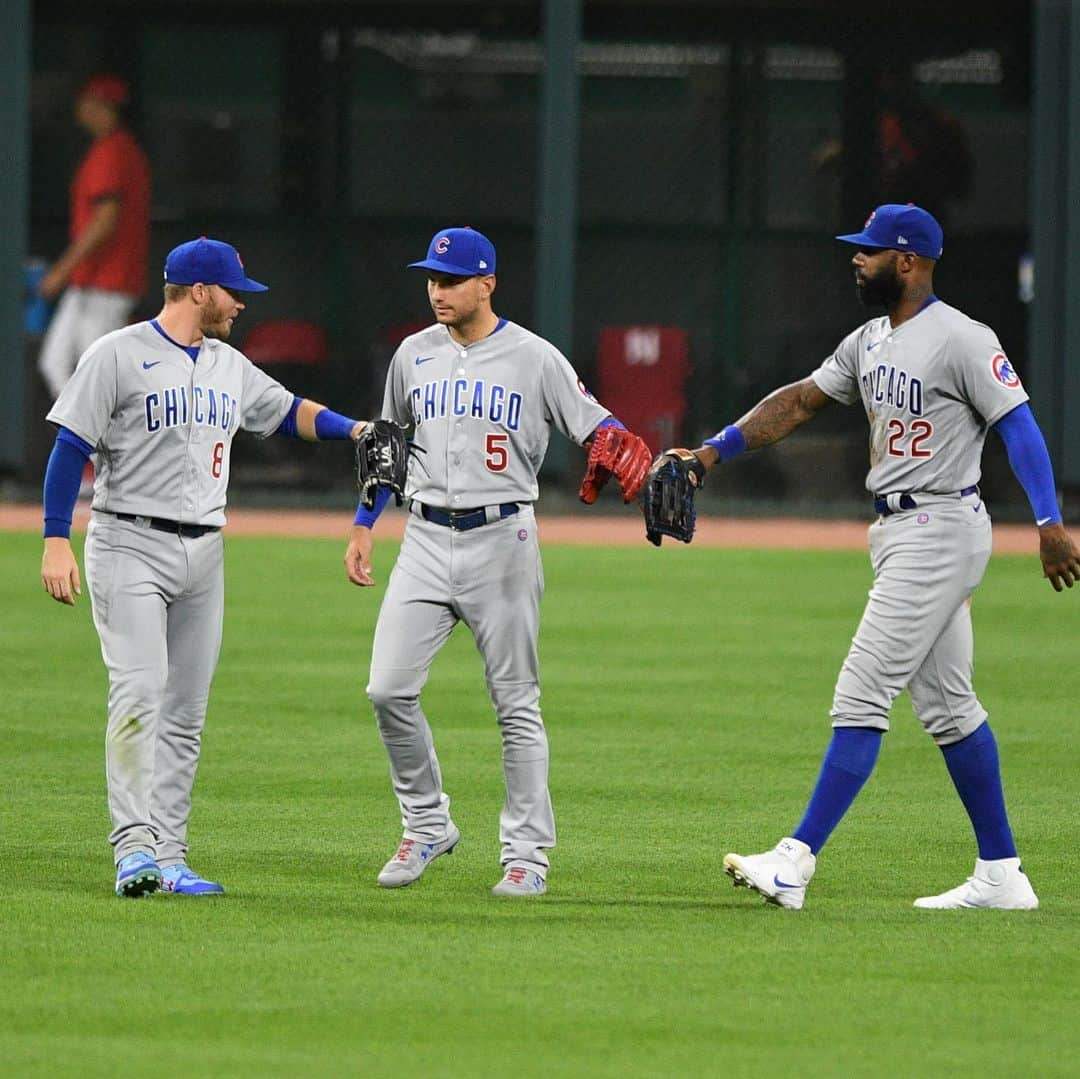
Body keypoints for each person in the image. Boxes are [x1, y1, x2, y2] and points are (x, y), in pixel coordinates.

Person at [672, 204, 1079, 911]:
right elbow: (798, 402)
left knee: (860, 691)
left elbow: (1020, 425)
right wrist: (711, 451)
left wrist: (1049, 520)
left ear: (910, 261)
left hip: (941, 523)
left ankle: (794, 863)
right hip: (900, 529)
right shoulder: (869, 340)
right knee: (950, 706)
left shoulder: (961, 338)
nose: (856, 260)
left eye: (869, 252)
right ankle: (1001, 874)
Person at [40, 237, 368, 899]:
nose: (241, 302)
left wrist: (354, 429)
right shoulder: (117, 354)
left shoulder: (227, 364)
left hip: (205, 553)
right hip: (129, 542)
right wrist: (55, 538)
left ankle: (170, 852)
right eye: (232, 291)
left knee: (186, 712)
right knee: (138, 693)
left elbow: (287, 412)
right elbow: (68, 446)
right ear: (198, 291)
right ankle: (133, 851)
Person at [344, 227, 649, 897]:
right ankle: (427, 823)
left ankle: (526, 854)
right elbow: (388, 444)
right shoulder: (411, 355)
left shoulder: (534, 357)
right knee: (386, 689)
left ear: (487, 283)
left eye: (450, 279)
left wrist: (622, 444)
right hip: (423, 537)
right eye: (430, 277)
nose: (436, 290)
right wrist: (366, 524)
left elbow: (596, 424)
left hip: (502, 540)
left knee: (515, 703)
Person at [38, 74, 151, 400]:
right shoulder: (110, 148)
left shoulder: (114, 151)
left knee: (95, 377)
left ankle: (113, 449)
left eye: (86, 101)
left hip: (109, 281)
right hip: (90, 279)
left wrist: (61, 268)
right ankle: (86, 447)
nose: (80, 108)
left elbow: (105, 221)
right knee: (55, 364)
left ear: (103, 106)